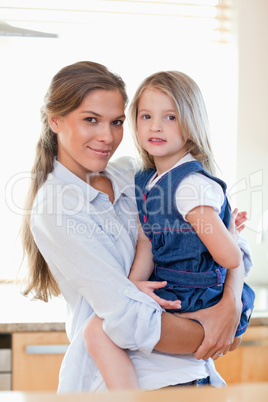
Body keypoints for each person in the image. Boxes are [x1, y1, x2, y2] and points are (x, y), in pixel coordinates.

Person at [20, 61, 252, 393]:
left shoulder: (134, 174)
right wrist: (215, 330)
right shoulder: (55, 207)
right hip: (134, 383)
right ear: (55, 121)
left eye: (116, 122)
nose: (107, 136)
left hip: (193, 372)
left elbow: (226, 244)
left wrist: (231, 301)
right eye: (91, 120)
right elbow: (127, 320)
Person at [82, 70, 255, 390]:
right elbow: (148, 239)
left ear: (191, 124)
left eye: (170, 117)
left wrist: (230, 234)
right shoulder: (148, 181)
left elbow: (230, 258)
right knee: (98, 329)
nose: (155, 126)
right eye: (146, 115)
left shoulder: (189, 187)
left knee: (97, 330)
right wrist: (134, 284)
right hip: (177, 292)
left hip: (194, 297)